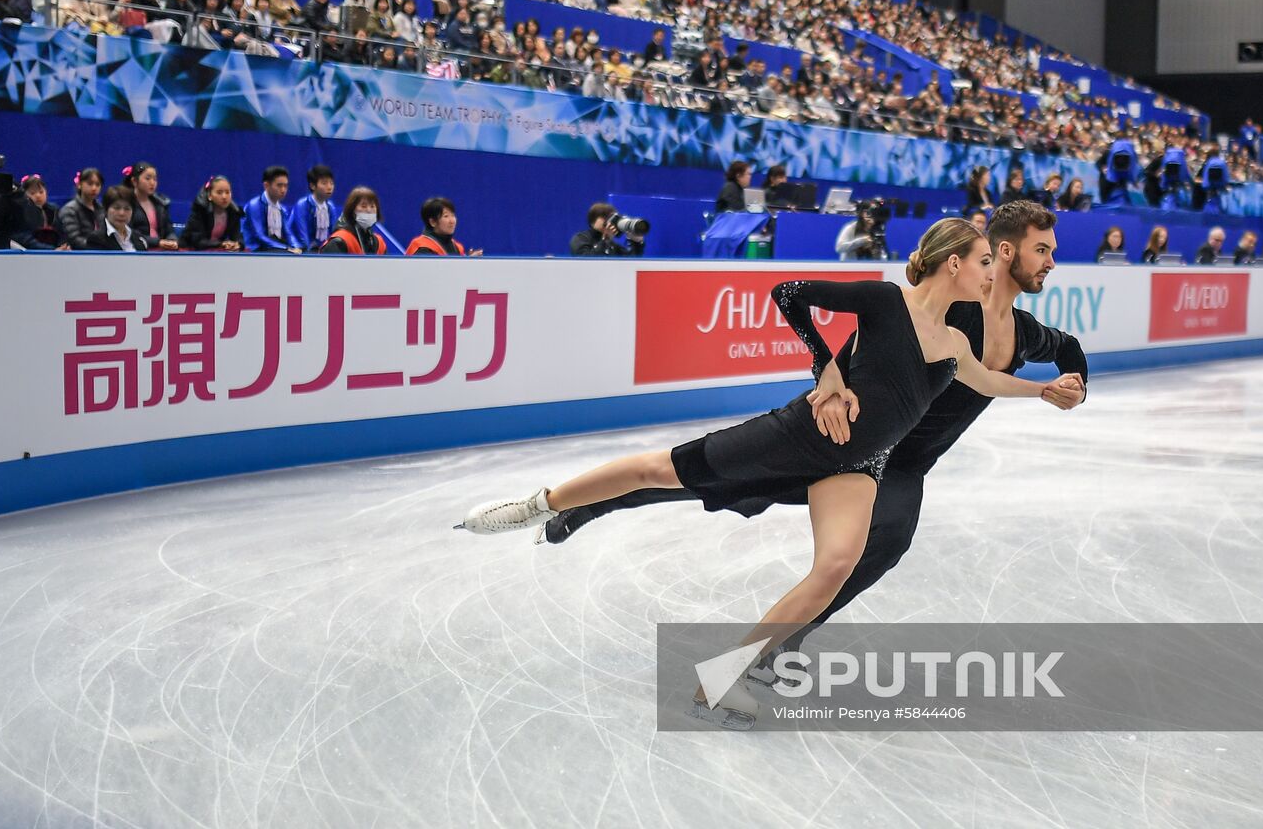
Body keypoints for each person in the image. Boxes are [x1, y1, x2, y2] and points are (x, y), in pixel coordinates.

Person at [460, 216, 1081, 725]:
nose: (987, 274)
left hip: (861, 464)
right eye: (981, 263)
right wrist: (827, 372)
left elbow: (989, 380)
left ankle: (724, 677)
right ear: (955, 264)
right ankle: (540, 503)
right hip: (801, 435)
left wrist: (1044, 391)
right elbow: (789, 295)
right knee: (664, 470)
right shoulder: (882, 300)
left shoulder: (954, 343)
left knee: (838, 564)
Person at [242, 165, 301, 253]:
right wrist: (285, 248)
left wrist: (296, 246)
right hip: (256, 250)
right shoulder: (254, 206)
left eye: (286, 186)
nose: (283, 190)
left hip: (276, 247)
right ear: (266, 185)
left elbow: (288, 233)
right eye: (279, 186)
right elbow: (259, 235)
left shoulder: (282, 210)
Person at [123, 162, 178, 250]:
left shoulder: (161, 203)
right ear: (134, 181)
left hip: (161, 251)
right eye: (147, 179)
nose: (152, 183)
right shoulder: (126, 204)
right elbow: (128, 232)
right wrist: (157, 242)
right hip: (138, 251)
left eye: (155, 179)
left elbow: (169, 228)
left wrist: (172, 240)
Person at [179, 175, 244, 251]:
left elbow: (237, 237)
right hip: (191, 252)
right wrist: (221, 244)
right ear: (209, 195)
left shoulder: (234, 211)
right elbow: (198, 242)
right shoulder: (200, 210)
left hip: (216, 251)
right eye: (219, 192)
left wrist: (238, 245)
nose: (224, 196)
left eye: (227, 192)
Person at [320, 187, 388, 254]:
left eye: (372, 206)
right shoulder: (339, 241)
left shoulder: (379, 243)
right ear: (352, 210)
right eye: (363, 206)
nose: (369, 210)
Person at [406, 197, 482, 256]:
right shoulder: (422, 248)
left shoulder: (458, 248)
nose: (452, 221)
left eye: (453, 215)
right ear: (432, 222)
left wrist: (469, 263)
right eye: (446, 216)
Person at [11, 174, 69, 249]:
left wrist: (62, 246)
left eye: (41, 192)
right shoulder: (20, 211)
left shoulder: (55, 210)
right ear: (24, 195)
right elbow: (23, 238)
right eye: (32, 193)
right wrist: (50, 250)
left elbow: (62, 233)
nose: (38, 196)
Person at [291, 164, 338, 251]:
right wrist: (310, 255)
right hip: (302, 249)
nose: (329, 187)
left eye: (331, 183)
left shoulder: (330, 207)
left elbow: (333, 233)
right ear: (312, 186)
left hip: (322, 250)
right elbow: (302, 235)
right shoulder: (302, 205)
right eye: (324, 183)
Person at [570, 203, 645, 256]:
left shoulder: (612, 245)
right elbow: (585, 261)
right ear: (593, 221)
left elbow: (631, 263)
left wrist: (637, 243)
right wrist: (605, 239)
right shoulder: (581, 238)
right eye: (604, 216)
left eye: (611, 217)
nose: (609, 221)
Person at [87, 185, 148, 251]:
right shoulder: (96, 239)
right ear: (106, 209)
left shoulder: (139, 238)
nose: (122, 213)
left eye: (127, 209)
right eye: (116, 208)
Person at [58, 168, 105, 248]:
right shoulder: (69, 210)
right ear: (79, 185)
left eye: (97, 184)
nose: (94, 188)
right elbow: (74, 240)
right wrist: (97, 248)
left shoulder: (102, 209)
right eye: (90, 184)